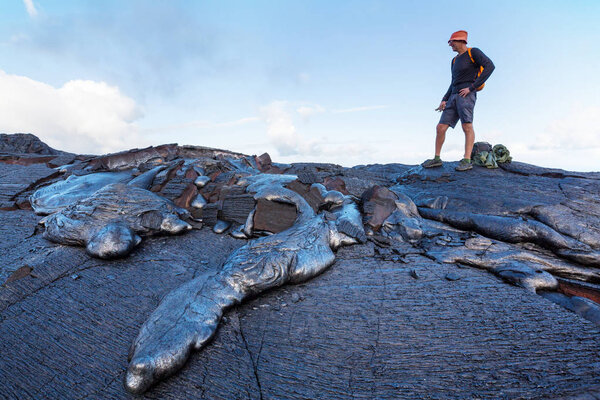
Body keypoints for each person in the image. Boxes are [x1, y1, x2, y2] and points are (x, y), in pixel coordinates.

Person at [422, 30, 495, 171]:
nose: (450, 45)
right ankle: (437, 159)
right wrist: (444, 99)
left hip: (466, 95)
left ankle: (467, 160)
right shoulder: (454, 60)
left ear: (461, 41)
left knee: (466, 126)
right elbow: (453, 81)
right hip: (453, 95)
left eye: (452, 42)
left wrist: (472, 87)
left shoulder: (473, 52)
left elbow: (490, 66)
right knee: (440, 127)